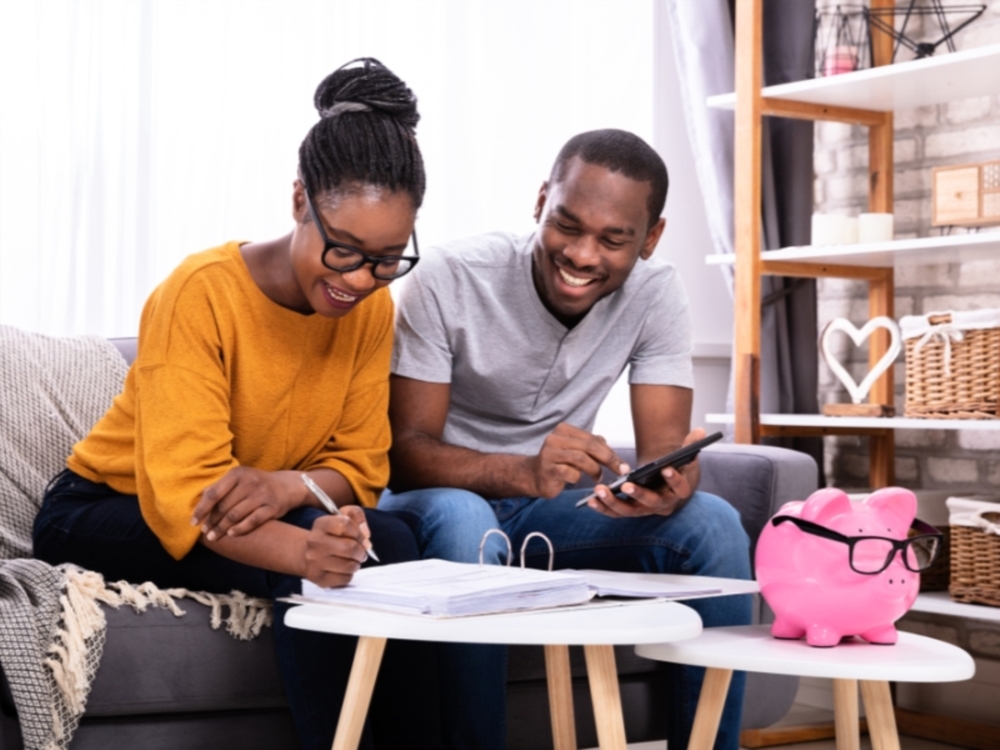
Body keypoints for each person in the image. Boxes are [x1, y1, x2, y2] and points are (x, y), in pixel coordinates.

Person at [33, 58, 446, 750]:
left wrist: (287, 488)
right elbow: (183, 498)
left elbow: (363, 467)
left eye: (387, 259)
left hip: (257, 499)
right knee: (319, 570)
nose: (360, 280)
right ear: (298, 201)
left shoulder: (372, 309)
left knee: (396, 542)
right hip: (107, 510)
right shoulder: (200, 293)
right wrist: (308, 549)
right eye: (343, 250)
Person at [380, 129, 753, 750]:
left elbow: (664, 454)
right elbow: (407, 453)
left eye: (613, 240)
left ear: (651, 239)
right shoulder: (451, 274)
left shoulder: (657, 293)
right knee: (467, 518)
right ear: (540, 202)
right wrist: (523, 471)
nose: (582, 255)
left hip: (549, 511)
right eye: (567, 225)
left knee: (712, 525)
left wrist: (670, 487)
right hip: (438, 498)